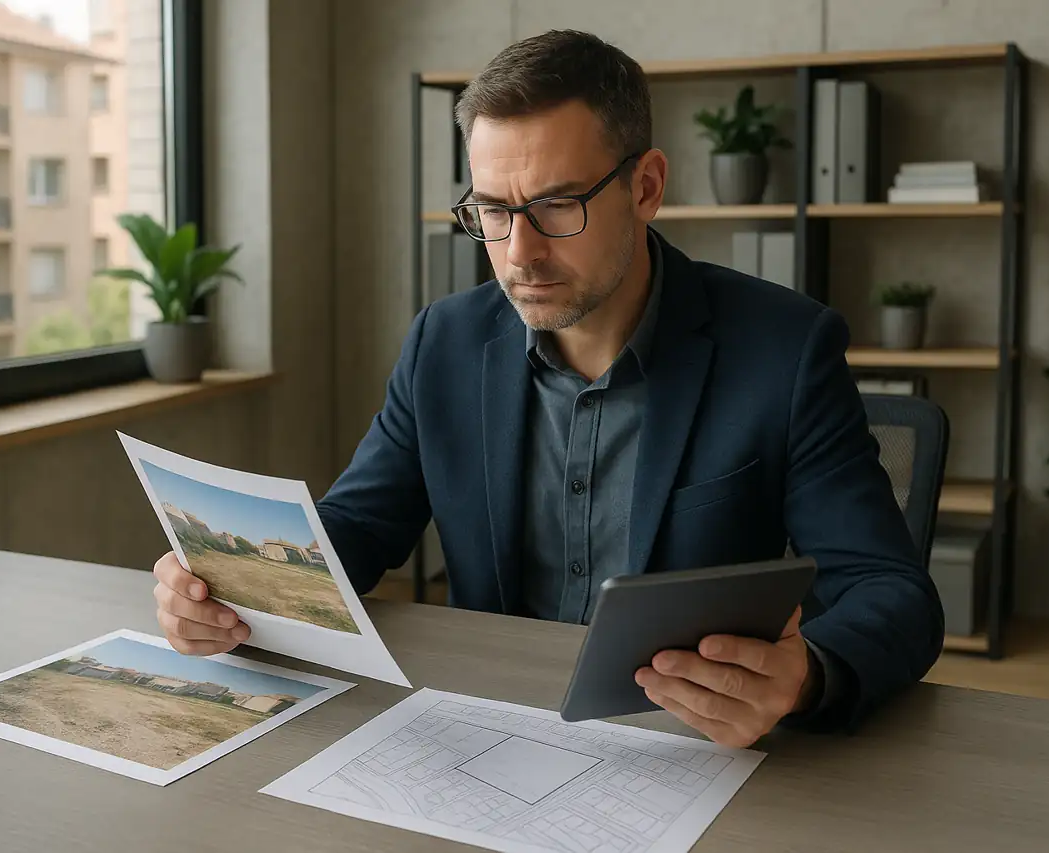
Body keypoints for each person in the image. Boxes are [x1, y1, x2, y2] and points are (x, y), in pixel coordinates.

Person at [151, 29, 944, 748]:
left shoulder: (784, 350)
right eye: (492, 211)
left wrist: (803, 678)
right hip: (483, 729)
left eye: (557, 205)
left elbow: (891, 591)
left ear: (645, 186)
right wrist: (230, 584)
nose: (518, 252)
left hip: (682, 743)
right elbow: (359, 522)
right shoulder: (445, 343)